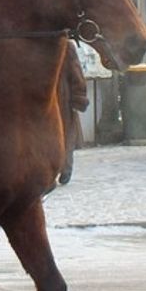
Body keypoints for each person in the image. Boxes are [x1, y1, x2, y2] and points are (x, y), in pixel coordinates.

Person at [56, 40, 89, 186]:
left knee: (66, 133)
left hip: (62, 99)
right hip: (52, 99)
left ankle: (65, 168)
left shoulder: (66, 46)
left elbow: (76, 74)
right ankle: (60, 168)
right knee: (61, 134)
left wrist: (78, 98)